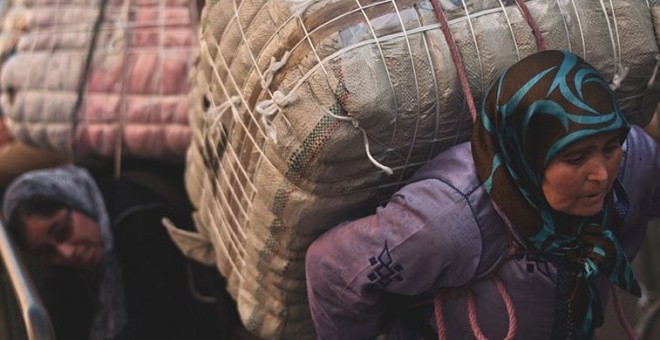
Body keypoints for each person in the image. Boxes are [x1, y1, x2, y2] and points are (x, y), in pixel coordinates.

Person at [305, 50, 660, 339]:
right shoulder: (447, 221)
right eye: (575, 157)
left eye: (610, 147)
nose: (601, 175)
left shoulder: (634, 164)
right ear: (528, 155)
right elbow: (333, 269)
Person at [1, 161, 234, 340]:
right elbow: (62, 307)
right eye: (47, 252)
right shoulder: (74, 255)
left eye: (62, 231)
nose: (66, 253)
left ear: (75, 201)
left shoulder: (139, 222)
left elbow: (156, 322)